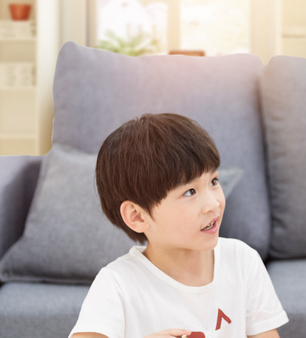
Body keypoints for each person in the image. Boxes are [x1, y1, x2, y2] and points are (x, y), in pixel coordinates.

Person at [69, 113, 288, 338]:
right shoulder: (117, 285)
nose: (213, 204)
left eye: (213, 181)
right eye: (189, 192)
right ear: (137, 216)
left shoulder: (242, 261)